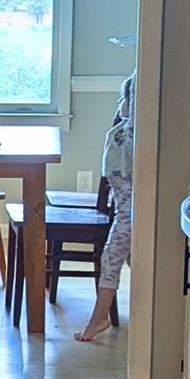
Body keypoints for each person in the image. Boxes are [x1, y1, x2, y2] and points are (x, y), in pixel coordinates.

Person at [77, 71, 134, 342]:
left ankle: (99, 317)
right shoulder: (126, 125)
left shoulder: (135, 132)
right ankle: (101, 316)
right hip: (123, 201)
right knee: (122, 257)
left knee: (113, 256)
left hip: (130, 209)